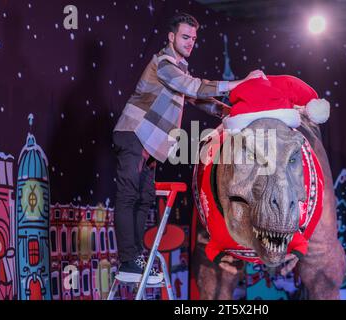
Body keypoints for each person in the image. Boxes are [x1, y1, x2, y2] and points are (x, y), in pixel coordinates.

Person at [112, 12, 266, 282]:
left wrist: (230, 113)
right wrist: (239, 83)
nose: (190, 42)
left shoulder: (180, 68)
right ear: (171, 37)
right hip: (135, 133)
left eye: (193, 38)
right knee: (128, 196)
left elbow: (196, 98)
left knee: (144, 199)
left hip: (151, 142)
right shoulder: (164, 62)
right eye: (185, 36)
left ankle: (136, 257)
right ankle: (127, 260)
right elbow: (192, 87)